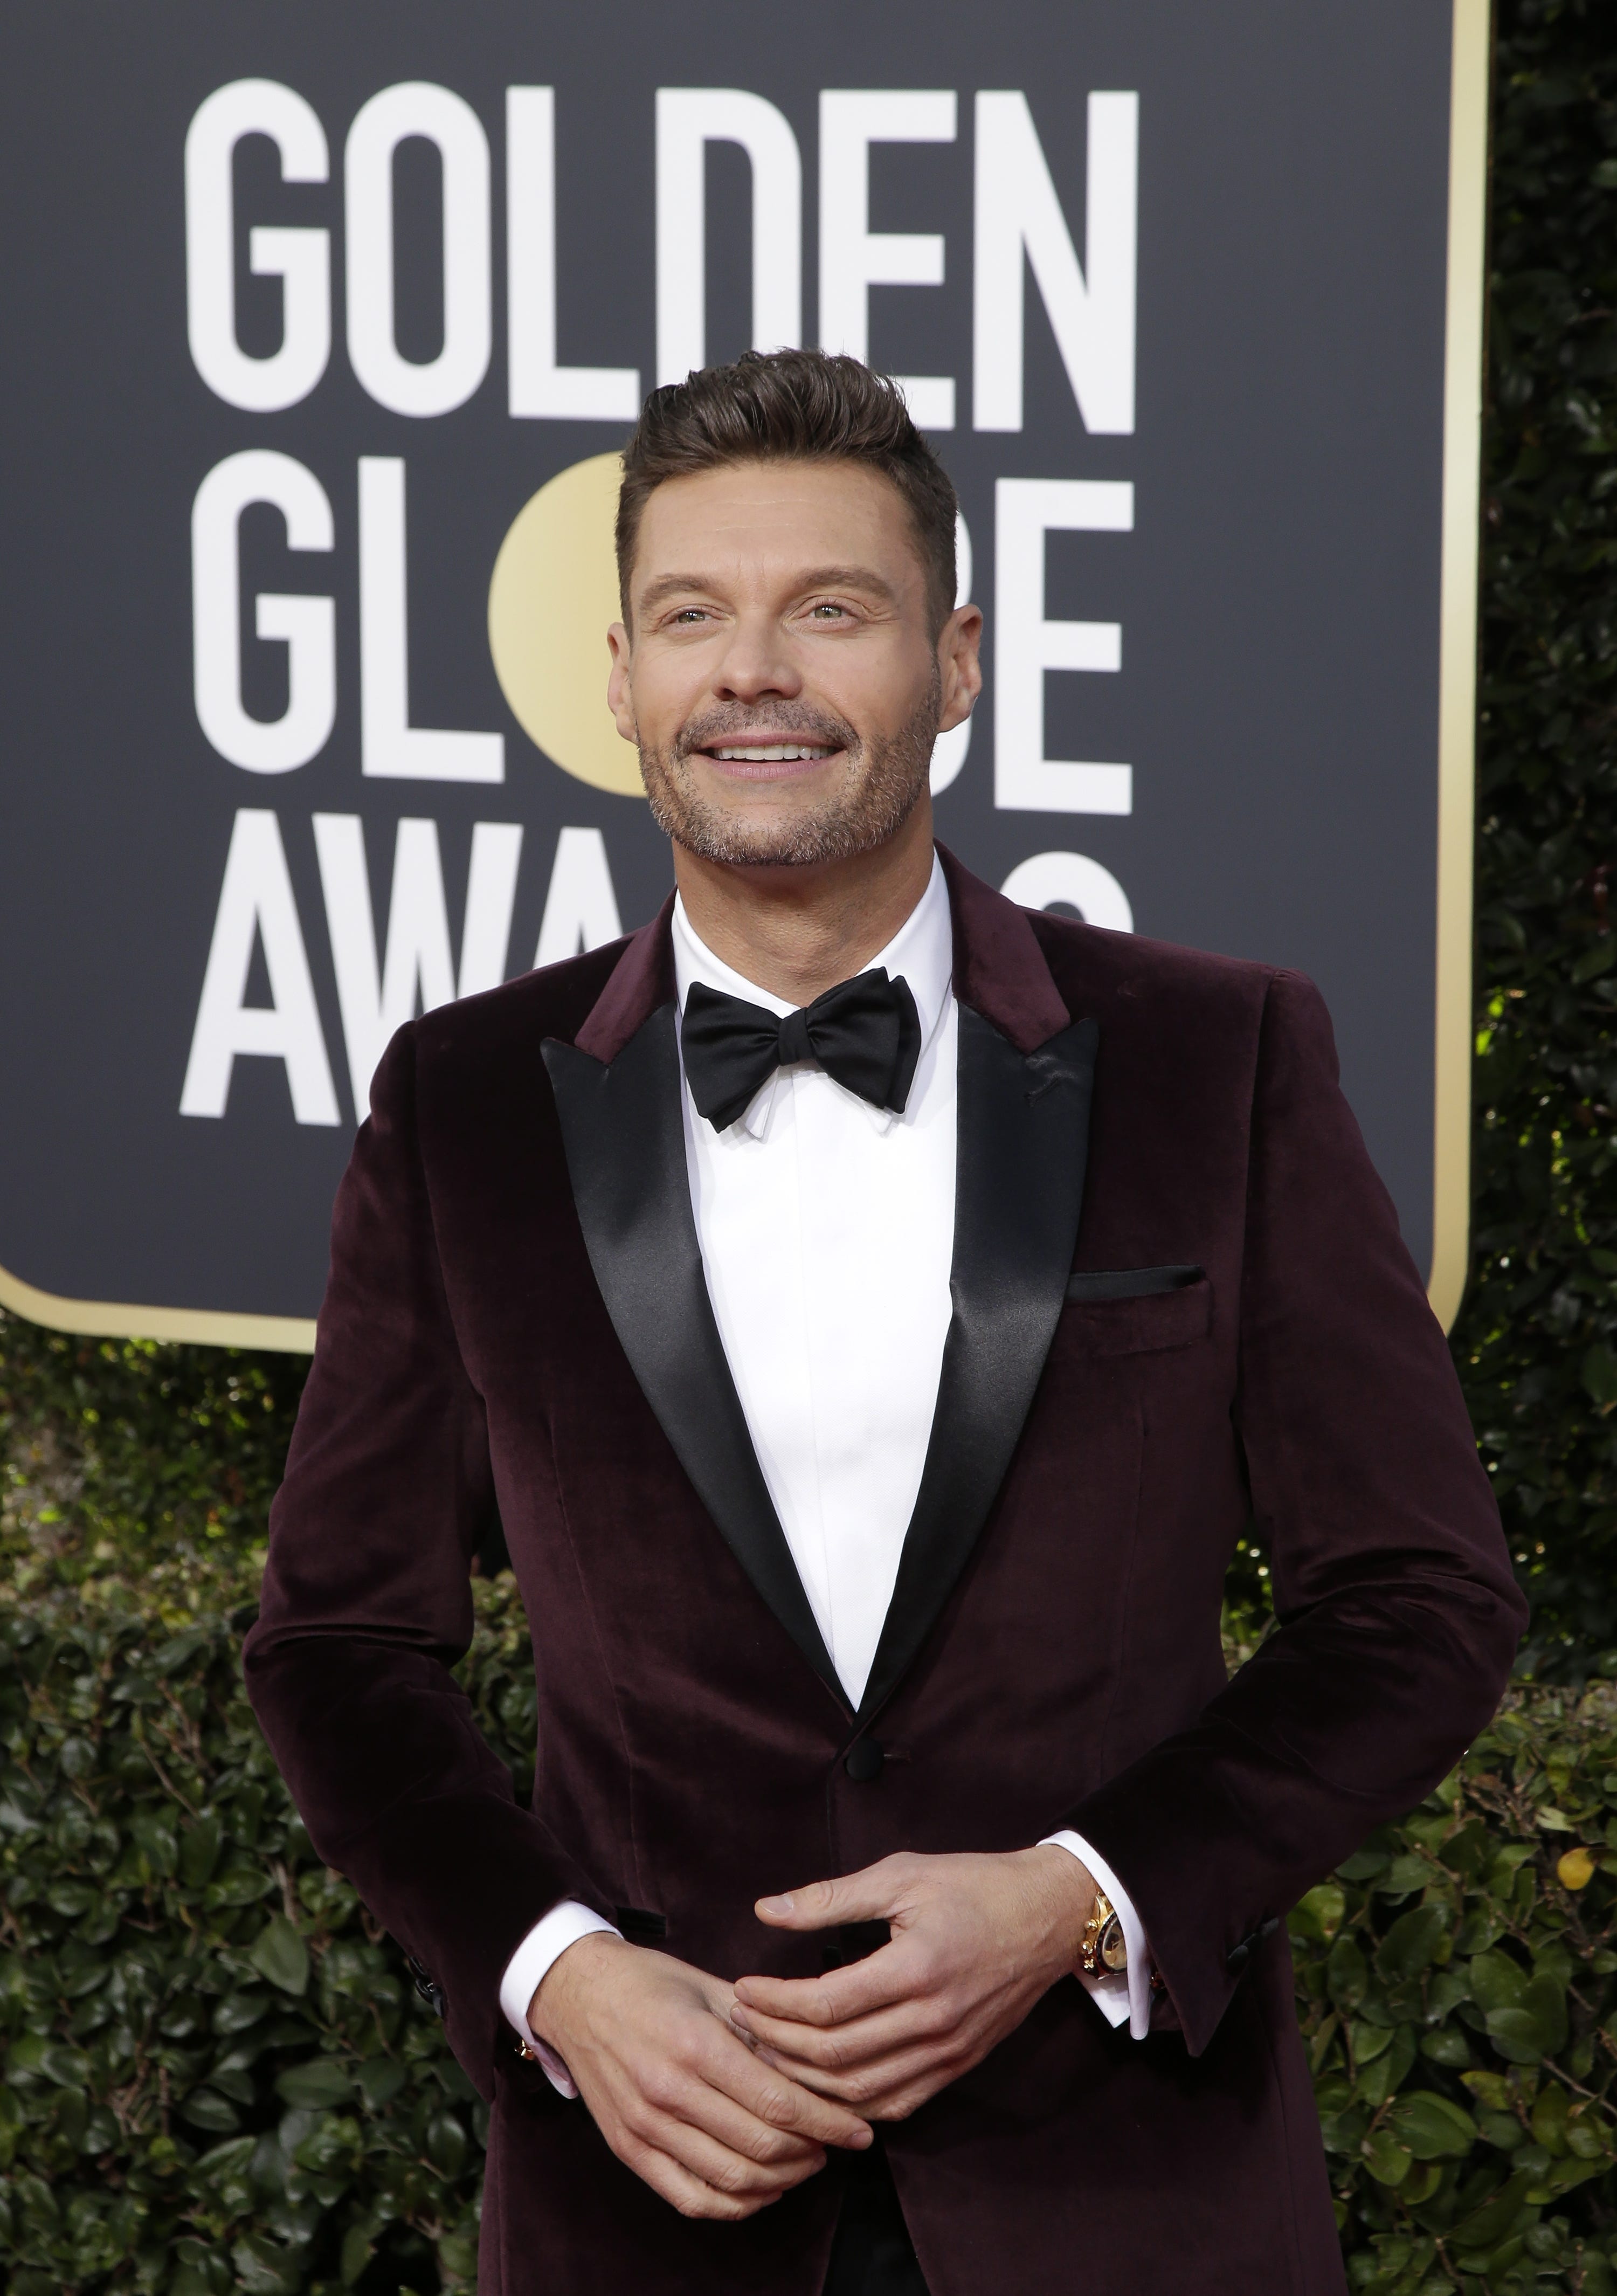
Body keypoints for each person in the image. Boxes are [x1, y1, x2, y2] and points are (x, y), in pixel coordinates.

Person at [245, 348, 1525, 2296]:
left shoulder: (1215, 1057)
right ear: (620, 677)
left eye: (829, 609)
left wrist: (1079, 1903)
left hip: (1129, 2206)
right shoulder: (462, 1101)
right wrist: (555, 1972)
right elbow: (339, 1640)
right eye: (694, 614)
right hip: (648, 2202)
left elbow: (1422, 1600)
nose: (753, 670)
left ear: (958, 660)